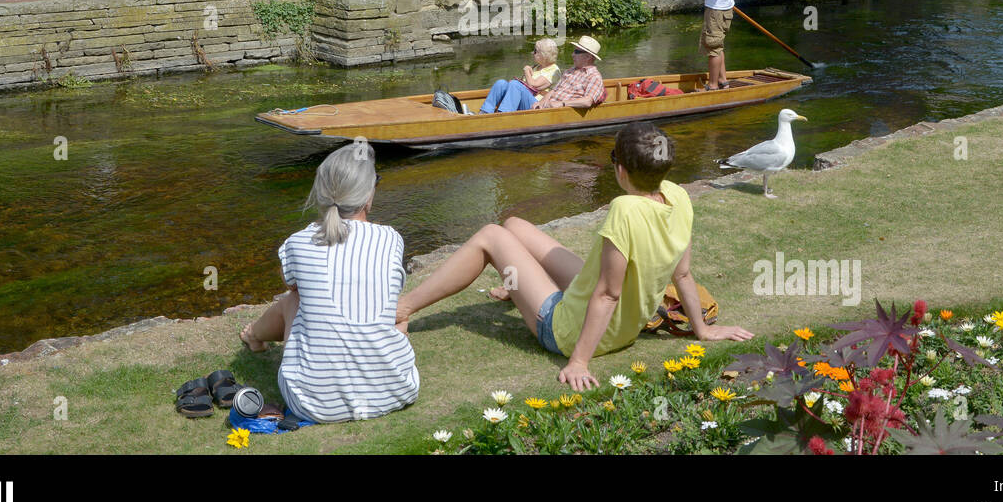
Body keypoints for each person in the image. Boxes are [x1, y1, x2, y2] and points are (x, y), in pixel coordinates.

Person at [393, 122, 753, 389]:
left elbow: (608, 293)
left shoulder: (625, 208)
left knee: (490, 236)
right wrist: (702, 330)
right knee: (514, 225)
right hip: (622, 328)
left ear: (621, 169)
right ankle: (515, 285)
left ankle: (403, 308)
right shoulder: (678, 195)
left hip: (566, 330)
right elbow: (684, 275)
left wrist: (578, 361)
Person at [240, 141, 419, 422]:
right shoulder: (391, 238)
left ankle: (254, 336)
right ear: (368, 195)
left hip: (313, 405)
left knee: (295, 300)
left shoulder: (297, 243)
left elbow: (292, 288)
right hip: (396, 391)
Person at [478, 38, 560, 113]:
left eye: (535, 51)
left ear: (543, 54)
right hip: (523, 97)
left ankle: (504, 115)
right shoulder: (536, 67)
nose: (532, 53)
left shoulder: (553, 70)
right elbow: (522, 85)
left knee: (515, 84)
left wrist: (527, 70)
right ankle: (484, 112)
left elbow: (534, 86)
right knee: (501, 84)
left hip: (536, 104)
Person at [532, 35, 606, 110]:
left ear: (588, 57)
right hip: (547, 108)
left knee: (519, 88)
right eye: (574, 51)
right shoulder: (569, 71)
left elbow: (588, 101)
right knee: (519, 87)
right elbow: (554, 91)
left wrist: (562, 104)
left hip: (561, 113)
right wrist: (540, 103)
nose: (572, 54)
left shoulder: (594, 76)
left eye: (577, 52)